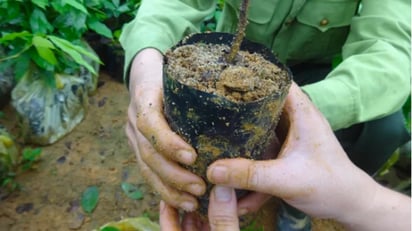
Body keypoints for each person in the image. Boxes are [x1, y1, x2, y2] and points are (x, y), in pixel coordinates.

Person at [120, 0, 411, 230]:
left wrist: (289, 112)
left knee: (384, 129)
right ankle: (197, 187)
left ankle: (297, 205)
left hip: (314, 75)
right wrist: (144, 66)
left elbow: (390, 51)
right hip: (225, 56)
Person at [158, 83, 412, 231]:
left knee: (387, 129)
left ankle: (294, 211)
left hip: (314, 81)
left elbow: (392, 48)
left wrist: (277, 115)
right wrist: (366, 201)